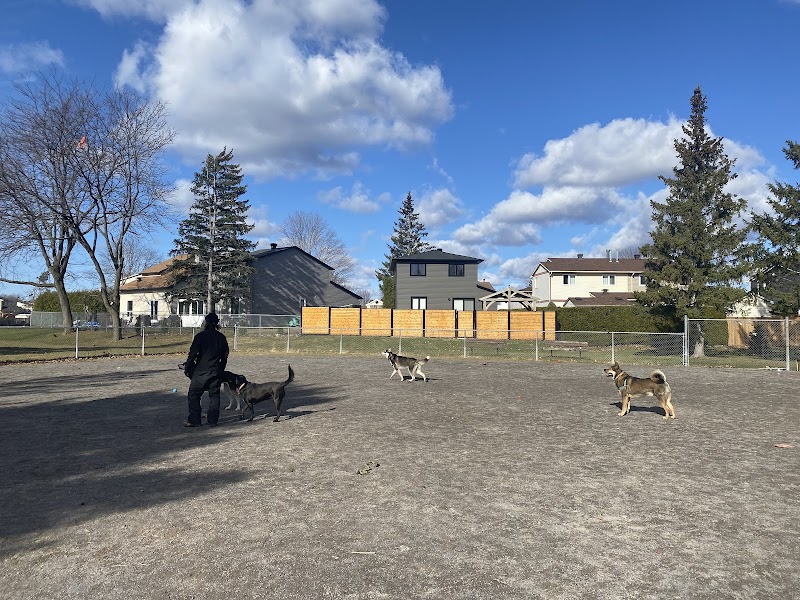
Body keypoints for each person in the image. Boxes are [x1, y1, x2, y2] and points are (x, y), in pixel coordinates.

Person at [183, 312, 229, 427]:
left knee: (194, 395)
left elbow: (192, 354)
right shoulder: (221, 338)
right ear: (217, 323)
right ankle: (213, 420)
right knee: (214, 395)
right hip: (215, 370)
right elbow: (225, 356)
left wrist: (187, 368)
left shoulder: (200, 336)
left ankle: (194, 420)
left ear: (206, 322)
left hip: (200, 371)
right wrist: (221, 369)